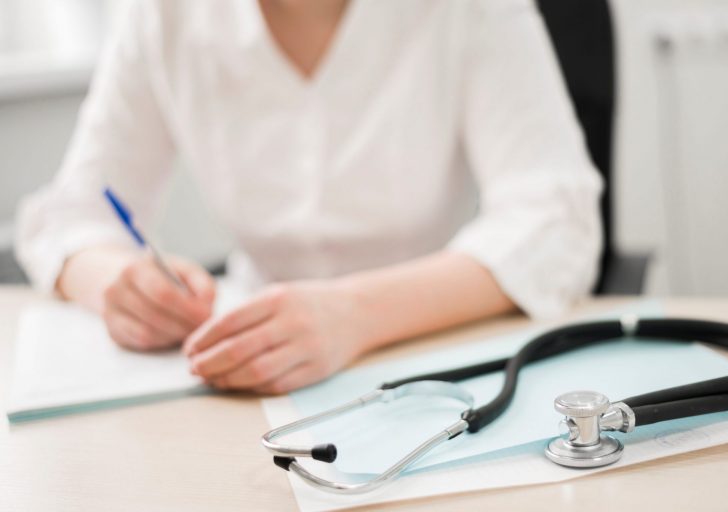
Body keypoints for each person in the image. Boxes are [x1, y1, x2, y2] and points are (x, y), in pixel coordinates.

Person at [15, 0, 602, 394]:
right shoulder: (164, 13)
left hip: (436, 357)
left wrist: (355, 314)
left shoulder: (471, 10)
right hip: (248, 378)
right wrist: (119, 284)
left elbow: (557, 221)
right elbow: (70, 214)